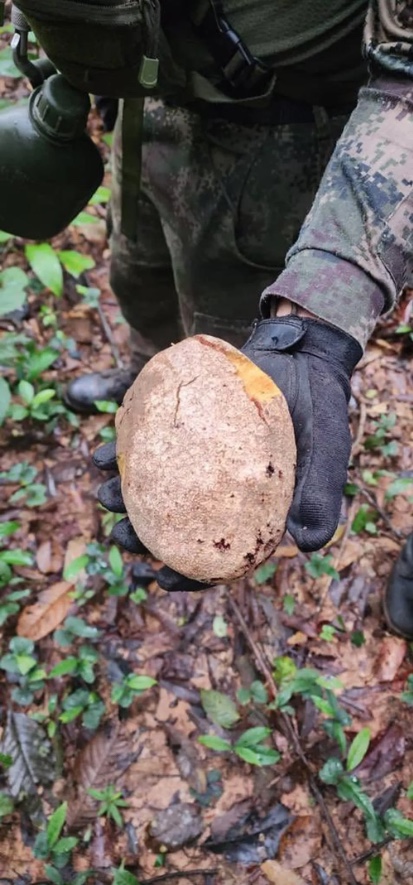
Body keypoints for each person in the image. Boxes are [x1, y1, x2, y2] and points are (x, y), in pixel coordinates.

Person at [67, 2, 412, 634]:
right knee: (139, 276)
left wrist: (321, 305)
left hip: (285, 127)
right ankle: (142, 377)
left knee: (235, 339)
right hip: (144, 105)